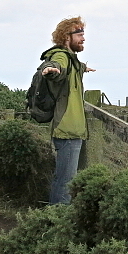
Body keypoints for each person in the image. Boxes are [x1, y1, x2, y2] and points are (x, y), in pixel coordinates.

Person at [39, 16, 95, 204]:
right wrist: (51, 69)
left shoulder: (72, 60)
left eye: (83, 33)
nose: (83, 38)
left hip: (72, 131)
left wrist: (83, 68)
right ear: (66, 37)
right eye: (79, 34)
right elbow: (57, 64)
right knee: (66, 182)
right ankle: (58, 217)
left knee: (64, 179)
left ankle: (55, 215)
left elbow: (73, 65)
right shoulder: (61, 56)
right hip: (67, 131)